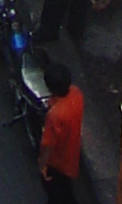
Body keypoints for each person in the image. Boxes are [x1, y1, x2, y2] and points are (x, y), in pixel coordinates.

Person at [34, 55, 85, 204]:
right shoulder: (76, 94)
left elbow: (48, 144)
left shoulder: (55, 115)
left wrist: (43, 164)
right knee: (67, 191)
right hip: (71, 155)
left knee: (55, 194)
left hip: (57, 162)